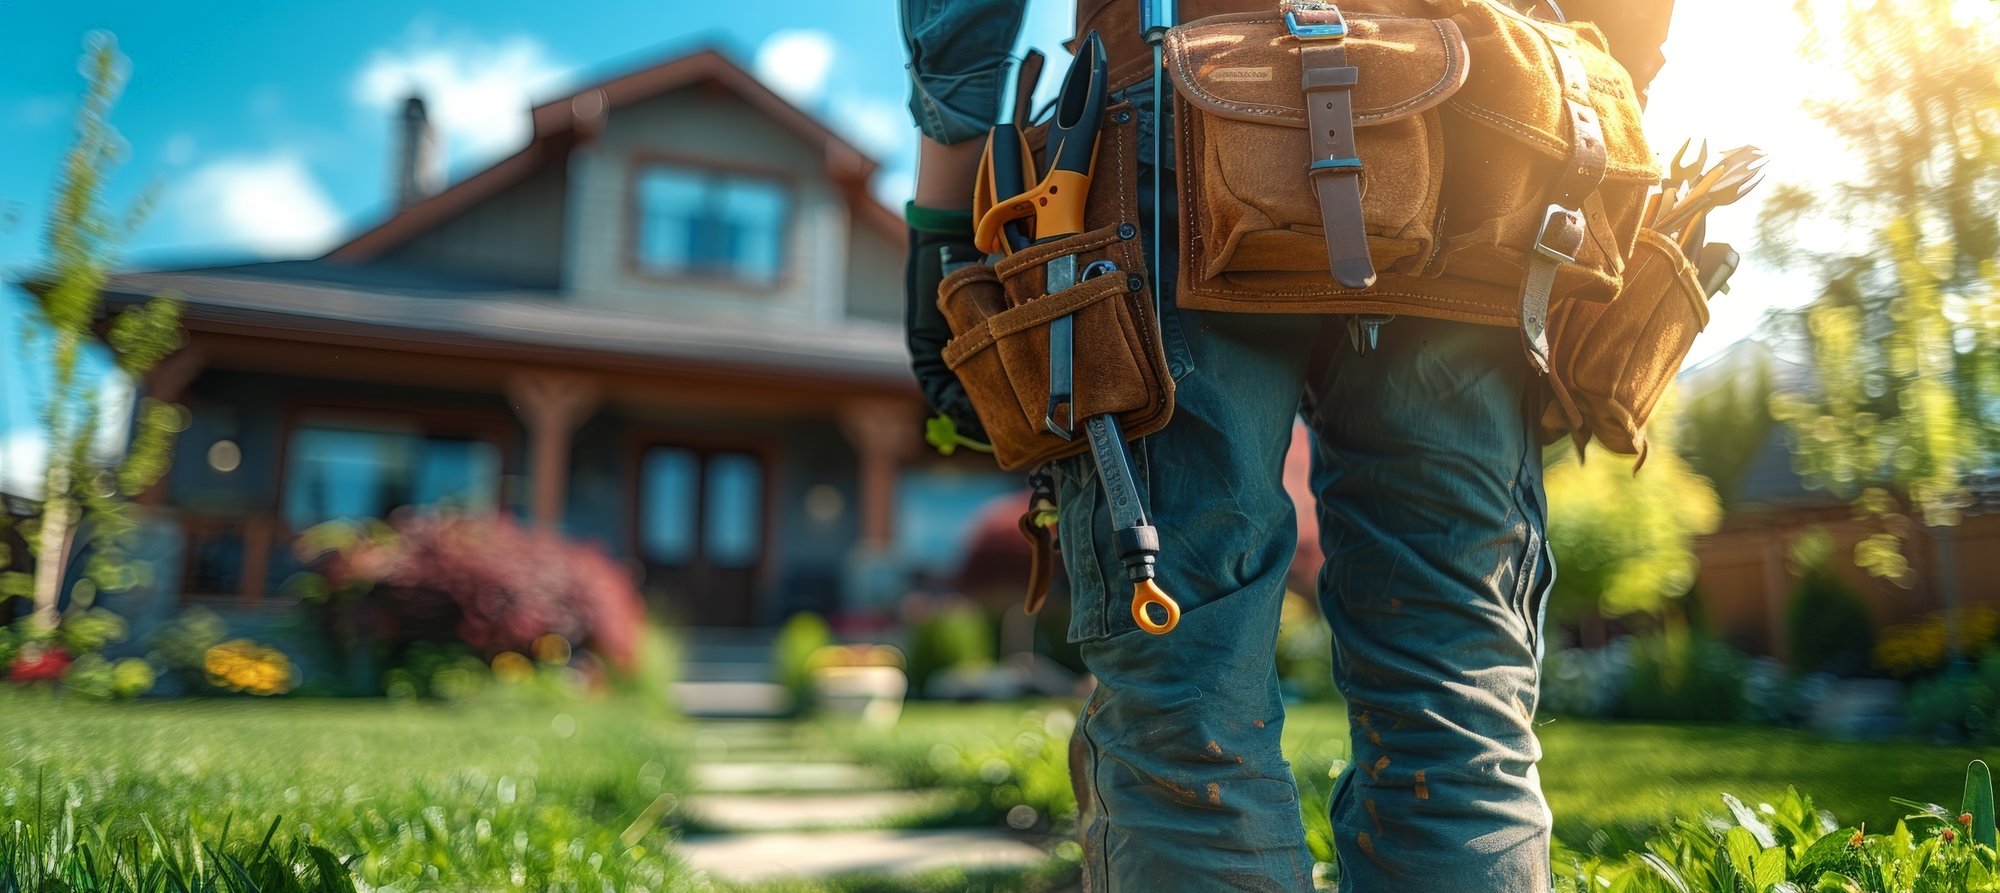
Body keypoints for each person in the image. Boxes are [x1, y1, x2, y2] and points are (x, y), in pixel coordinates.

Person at [898, 2, 1673, 890]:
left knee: (1187, 716)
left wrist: (943, 224)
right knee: (1458, 701)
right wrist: (1605, 108)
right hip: (1489, 130)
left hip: (1174, 105)